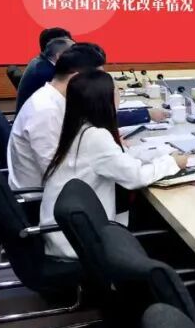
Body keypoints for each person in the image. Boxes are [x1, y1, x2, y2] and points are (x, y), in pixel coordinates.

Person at [40, 69, 187, 259]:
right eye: (117, 91)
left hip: (68, 231)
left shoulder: (79, 126)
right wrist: (171, 162)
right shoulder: (96, 137)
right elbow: (135, 177)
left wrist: (160, 154)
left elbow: (120, 158)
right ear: (105, 100)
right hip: (79, 241)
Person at [7, 43, 168, 190]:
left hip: (70, 192)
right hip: (46, 198)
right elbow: (57, 173)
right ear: (77, 77)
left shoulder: (57, 99)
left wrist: (112, 149)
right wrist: (108, 148)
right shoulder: (46, 111)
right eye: (98, 79)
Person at [16, 33, 73, 111]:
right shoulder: (46, 73)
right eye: (74, 53)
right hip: (37, 115)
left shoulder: (40, 61)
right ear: (59, 56)